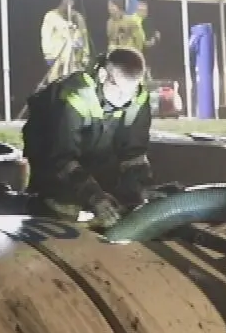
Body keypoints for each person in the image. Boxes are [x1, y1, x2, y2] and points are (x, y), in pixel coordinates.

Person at [21, 46, 154, 229]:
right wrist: (94, 197)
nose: (125, 99)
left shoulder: (137, 97)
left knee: (123, 208)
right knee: (65, 211)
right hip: (53, 158)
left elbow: (135, 153)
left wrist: (142, 192)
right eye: (119, 90)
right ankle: (22, 203)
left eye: (130, 92)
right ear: (102, 75)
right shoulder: (76, 95)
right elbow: (61, 158)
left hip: (97, 154)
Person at [41, 0, 92, 80]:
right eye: (66, 2)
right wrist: (48, 55)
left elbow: (84, 36)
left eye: (71, 2)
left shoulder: (78, 17)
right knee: (56, 84)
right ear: (62, 1)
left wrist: (85, 55)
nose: (69, 5)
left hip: (75, 59)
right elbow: (45, 36)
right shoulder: (51, 16)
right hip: (58, 58)